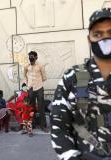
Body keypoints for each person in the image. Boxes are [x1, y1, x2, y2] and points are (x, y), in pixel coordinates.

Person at [51, 8, 111, 160]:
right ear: (89, 39)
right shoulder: (73, 77)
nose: (105, 39)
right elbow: (60, 125)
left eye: (110, 33)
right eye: (98, 34)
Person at [24, 51, 47, 132]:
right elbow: (24, 75)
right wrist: (27, 84)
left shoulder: (40, 66)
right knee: (31, 108)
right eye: (30, 57)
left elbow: (44, 77)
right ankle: (32, 124)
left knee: (41, 107)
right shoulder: (26, 66)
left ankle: (43, 126)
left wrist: (38, 82)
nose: (31, 59)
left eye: (32, 57)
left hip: (39, 88)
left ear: (36, 57)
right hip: (30, 89)